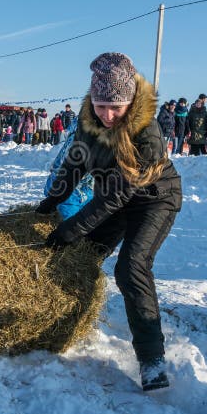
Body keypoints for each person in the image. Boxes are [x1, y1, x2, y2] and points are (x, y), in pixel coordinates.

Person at [36, 52, 182, 392]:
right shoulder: (90, 121)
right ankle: (61, 322)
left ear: (130, 101)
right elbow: (75, 163)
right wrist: (53, 199)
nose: (108, 114)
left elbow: (115, 196)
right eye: (102, 106)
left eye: (116, 106)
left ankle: (151, 360)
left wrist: (68, 231)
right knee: (84, 255)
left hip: (154, 200)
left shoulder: (146, 131)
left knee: (131, 267)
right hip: (116, 197)